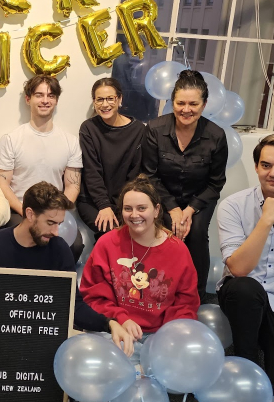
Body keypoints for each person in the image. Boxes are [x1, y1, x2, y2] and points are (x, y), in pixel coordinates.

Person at [0, 182, 134, 402]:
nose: (56, 231)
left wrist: (109, 323)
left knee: (87, 346)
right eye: (50, 223)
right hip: (1, 334)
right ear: (29, 214)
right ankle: (62, 382)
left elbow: (74, 305)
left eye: (59, 224)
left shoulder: (59, 250)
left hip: (45, 334)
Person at [217, 133, 274, 395]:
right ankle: (246, 361)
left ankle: (266, 342)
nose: (273, 173)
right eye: (266, 165)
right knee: (246, 288)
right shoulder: (233, 206)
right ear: (257, 167)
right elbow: (238, 269)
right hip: (241, 293)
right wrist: (266, 220)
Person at [80, 174, 199, 353]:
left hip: (162, 335)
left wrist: (167, 336)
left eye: (141, 208)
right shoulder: (107, 243)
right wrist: (120, 319)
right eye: (128, 209)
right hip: (118, 330)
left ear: (157, 210)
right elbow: (93, 296)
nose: (134, 215)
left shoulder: (178, 250)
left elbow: (186, 304)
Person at [142, 70, 228, 300]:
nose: (186, 109)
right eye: (180, 103)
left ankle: (195, 296)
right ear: (172, 103)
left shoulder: (216, 136)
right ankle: (157, 293)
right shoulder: (154, 129)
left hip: (200, 198)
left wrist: (189, 210)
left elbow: (216, 182)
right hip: (162, 196)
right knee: (167, 231)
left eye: (193, 104)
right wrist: (172, 208)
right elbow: (150, 175)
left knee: (197, 232)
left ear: (204, 104)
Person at [0, 75, 84, 261]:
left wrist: (56, 213)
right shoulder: (11, 139)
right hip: (19, 211)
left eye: (50, 96)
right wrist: (27, 212)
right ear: (28, 99)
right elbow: (2, 183)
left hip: (54, 212)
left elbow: (73, 185)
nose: (45, 100)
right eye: (39, 95)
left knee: (74, 245)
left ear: (56, 100)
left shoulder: (71, 142)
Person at [77, 77, 144, 242]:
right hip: (92, 201)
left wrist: (125, 207)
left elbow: (135, 174)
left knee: (137, 233)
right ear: (94, 102)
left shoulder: (138, 130)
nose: (105, 104)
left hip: (125, 201)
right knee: (111, 234)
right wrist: (104, 205)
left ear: (119, 99)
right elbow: (92, 172)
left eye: (110, 98)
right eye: (99, 99)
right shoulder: (88, 128)